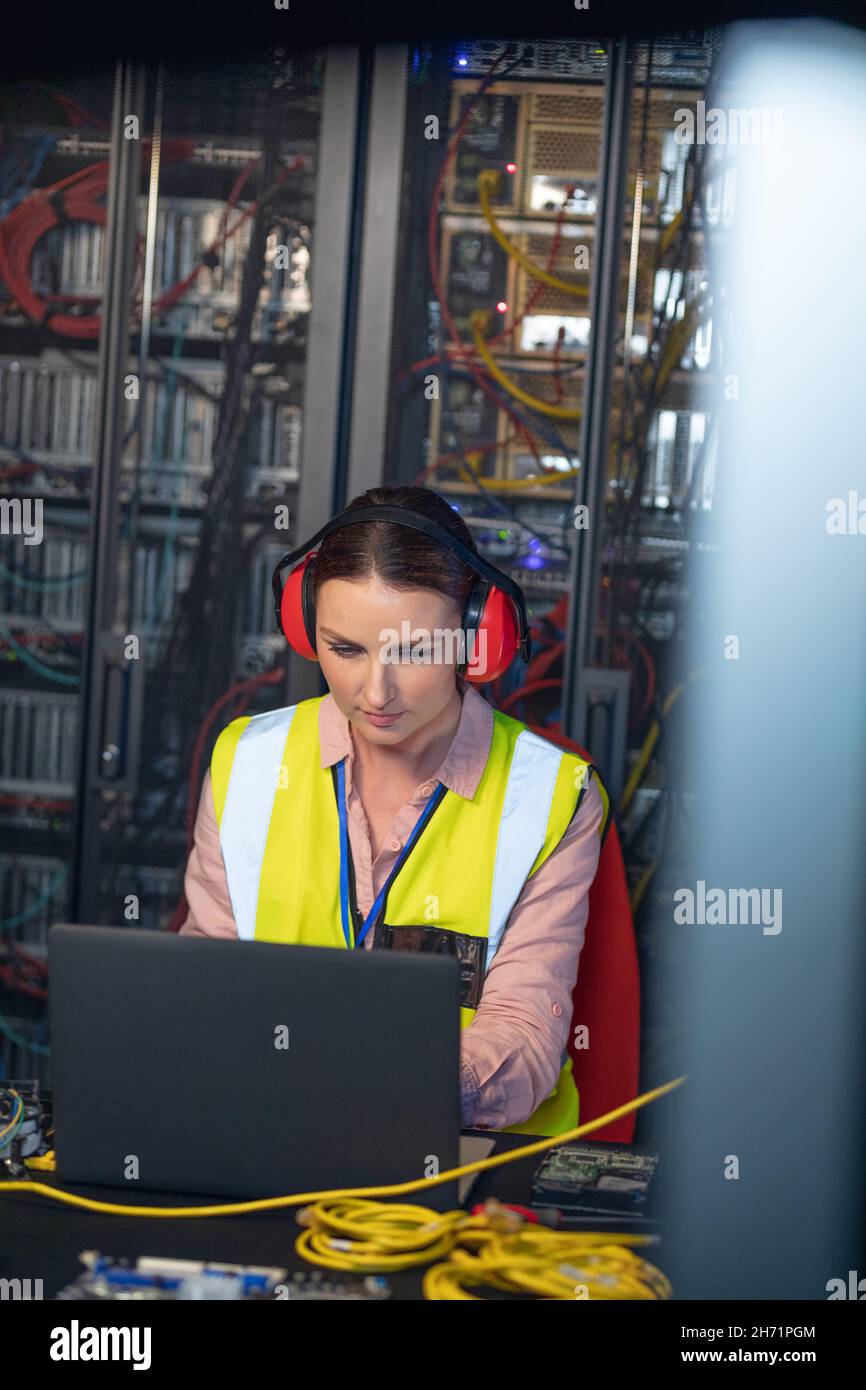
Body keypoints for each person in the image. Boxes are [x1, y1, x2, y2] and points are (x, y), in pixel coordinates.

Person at [180, 485, 607, 1135]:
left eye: (413, 652)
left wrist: (368, 1090)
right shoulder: (245, 763)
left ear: (474, 638)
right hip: (268, 1135)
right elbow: (202, 987)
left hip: (468, 1164)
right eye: (344, 650)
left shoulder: (554, 798)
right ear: (304, 629)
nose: (374, 691)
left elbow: (522, 1038)